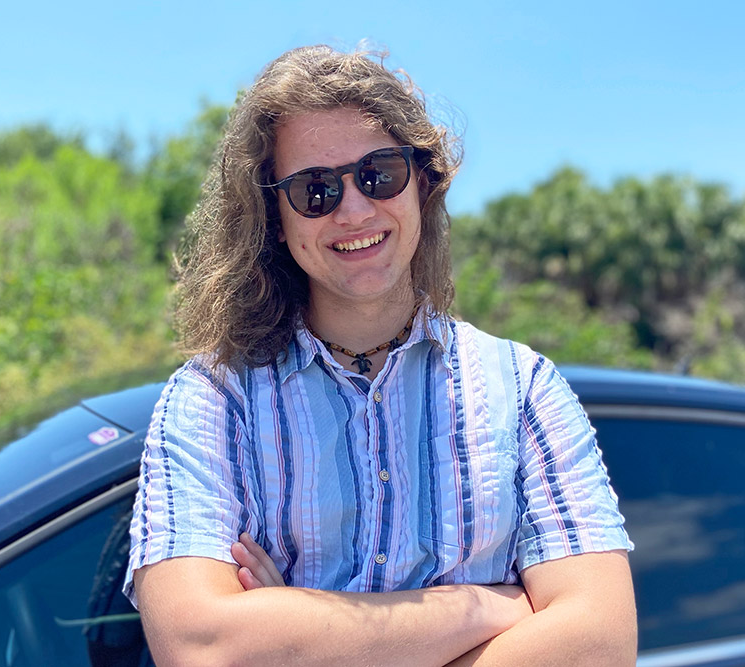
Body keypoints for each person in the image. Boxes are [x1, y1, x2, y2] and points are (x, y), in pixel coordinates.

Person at [123, 45, 637, 666]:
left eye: (379, 173)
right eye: (315, 190)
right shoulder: (213, 399)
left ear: (421, 182)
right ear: (275, 219)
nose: (355, 209)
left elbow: (600, 646)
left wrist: (297, 639)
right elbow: (203, 648)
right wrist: (482, 609)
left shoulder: (523, 389)